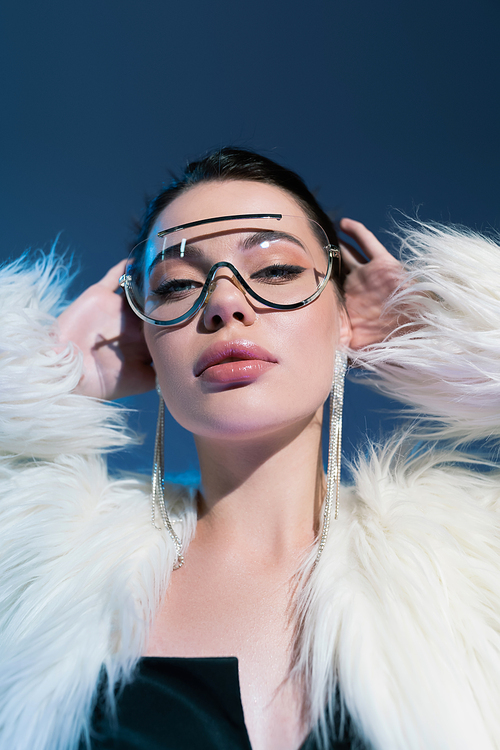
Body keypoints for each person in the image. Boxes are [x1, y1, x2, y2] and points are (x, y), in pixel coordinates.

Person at [1, 147, 500, 750]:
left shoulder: (473, 558)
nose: (224, 302)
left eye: (275, 271)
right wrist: (42, 378)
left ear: (345, 317)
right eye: (177, 285)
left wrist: (462, 340)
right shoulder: (41, 568)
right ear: (147, 342)